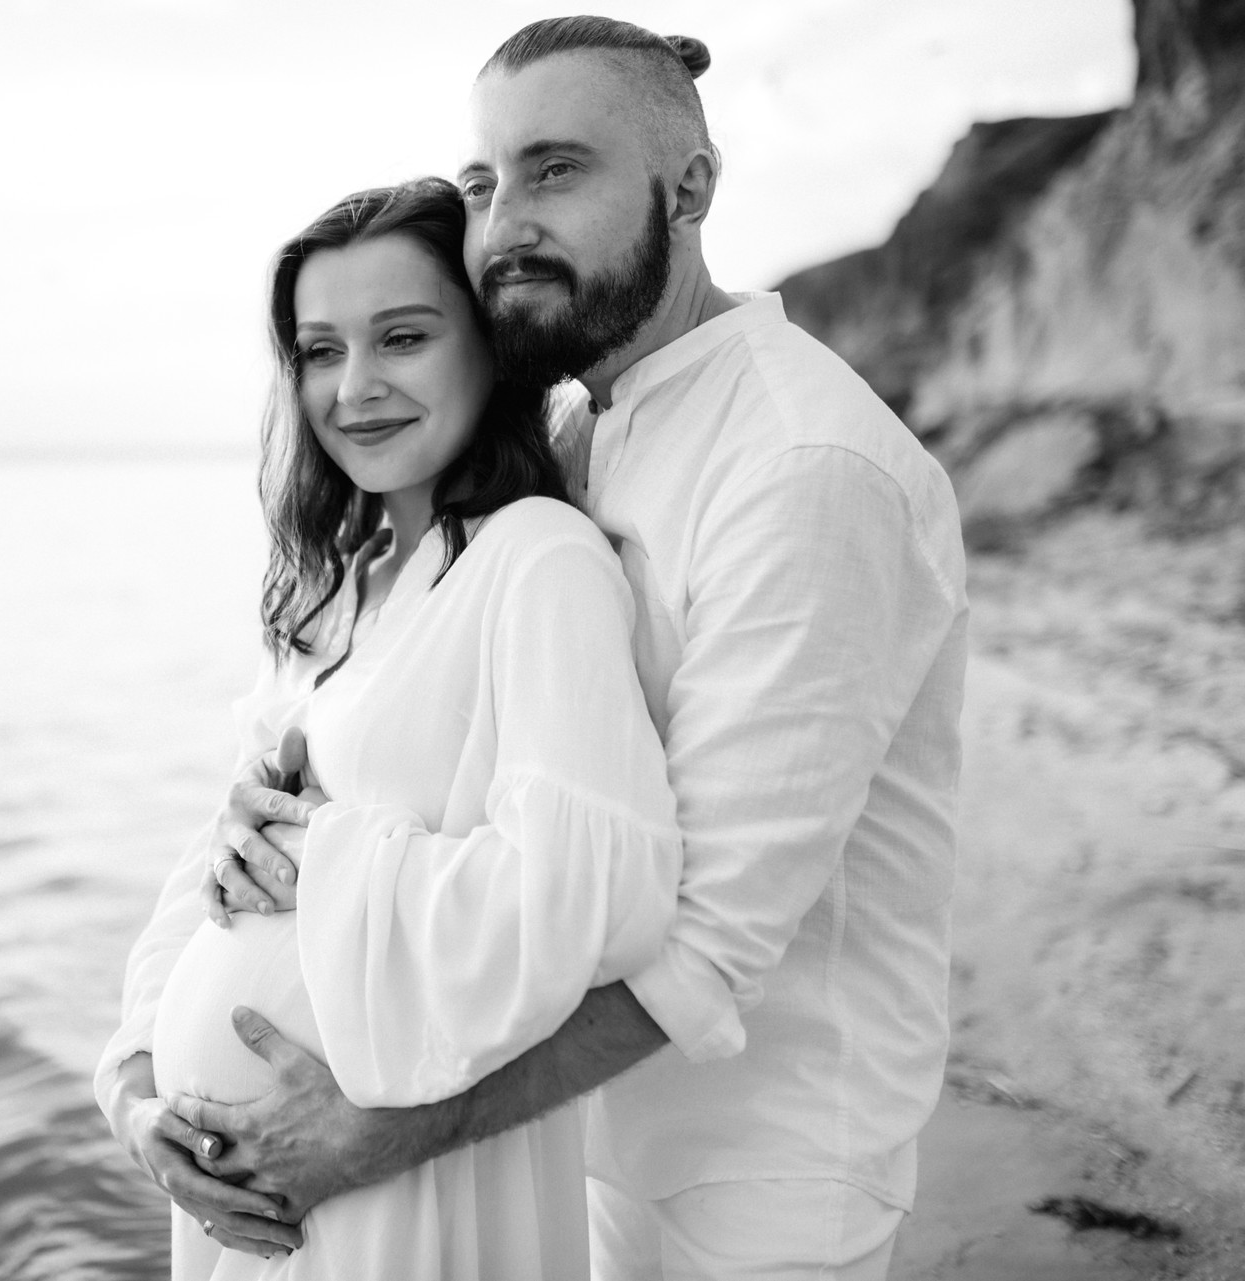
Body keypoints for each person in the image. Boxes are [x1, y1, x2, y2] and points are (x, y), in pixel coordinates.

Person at [140, 17, 969, 1281]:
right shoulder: (572, 431)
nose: (505, 223)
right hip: (553, 1133)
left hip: (757, 1174)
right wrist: (261, 831)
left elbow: (704, 946)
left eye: (556, 169)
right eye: (483, 182)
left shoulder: (804, 466)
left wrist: (373, 1134)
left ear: (688, 185)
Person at [96, 178, 685, 1278]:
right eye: (319, 351)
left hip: (402, 1178)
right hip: (247, 1195)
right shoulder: (343, 588)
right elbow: (213, 869)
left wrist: (324, 864)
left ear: (489, 346)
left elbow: (592, 896)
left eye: (402, 338)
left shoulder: (537, 561)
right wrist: (133, 1090)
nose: (353, 389)